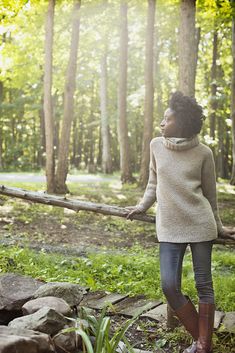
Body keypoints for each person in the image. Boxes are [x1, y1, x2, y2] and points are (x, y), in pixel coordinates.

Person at [125, 91, 235, 353]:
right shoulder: (155, 146)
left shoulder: (203, 153)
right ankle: (203, 339)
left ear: (182, 122)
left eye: (167, 118)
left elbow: (210, 195)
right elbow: (153, 183)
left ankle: (202, 347)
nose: (162, 123)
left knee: (204, 285)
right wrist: (141, 206)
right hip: (169, 226)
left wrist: (219, 227)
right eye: (162, 119)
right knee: (169, 285)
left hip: (200, 223)